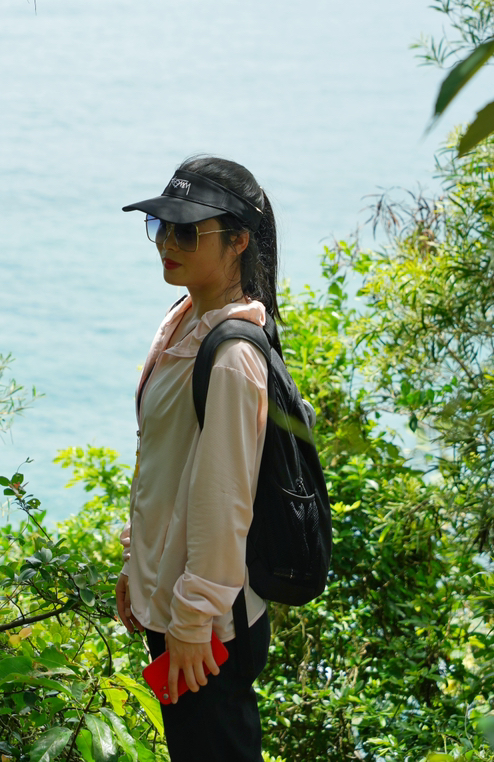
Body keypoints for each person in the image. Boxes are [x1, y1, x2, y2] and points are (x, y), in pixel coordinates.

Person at [116, 155, 278, 762]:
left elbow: (223, 501)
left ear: (238, 241)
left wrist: (190, 621)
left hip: (208, 626)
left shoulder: (231, 357)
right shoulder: (184, 320)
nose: (167, 243)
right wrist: (138, 564)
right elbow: (165, 461)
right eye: (161, 226)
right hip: (181, 602)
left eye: (187, 231)